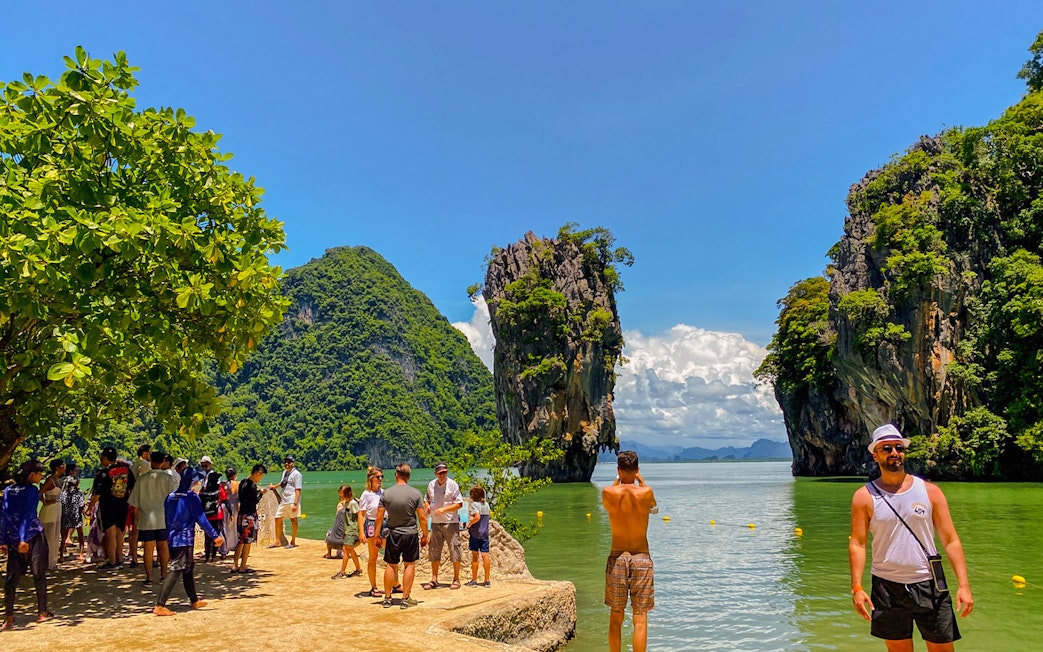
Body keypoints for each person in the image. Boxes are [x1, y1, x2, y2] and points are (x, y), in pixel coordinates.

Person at [849, 424, 973, 651]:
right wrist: (857, 588)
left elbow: (951, 540)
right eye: (887, 448)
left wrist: (963, 586)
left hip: (930, 582)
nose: (894, 453)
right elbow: (858, 543)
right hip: (886, 587)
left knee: (942, 648)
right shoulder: (864, 497)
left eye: (899, 448)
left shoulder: (929, 491)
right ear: (875, 455)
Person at [602, 450, 657, 652]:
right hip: (641, 558)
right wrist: (640, 481)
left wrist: (619, 479)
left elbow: (609, 499)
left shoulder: (609, 492)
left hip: (617, 557)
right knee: (640, 617)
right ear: (637, 469)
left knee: (616, 615)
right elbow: (653, 508)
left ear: (618, 469)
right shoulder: (646, 492)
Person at [154, 468, 224, 616]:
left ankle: (194, 599)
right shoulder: (192, 497)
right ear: (193, 481)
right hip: (184, 538)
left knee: (188, 567)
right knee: (177, 568)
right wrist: (214, 536)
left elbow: (167, 518)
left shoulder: (170, 496)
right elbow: (201, 519)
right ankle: (160, 605)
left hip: (172, 537)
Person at [1, 460, 52, 628]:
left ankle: (9, 617)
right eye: (39, 474)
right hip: (32, 535)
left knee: (12, 578)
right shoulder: (32, 490)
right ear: (32, 475)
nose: (41, 476)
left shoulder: (8, 490)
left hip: (13, 538)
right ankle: (42, 612)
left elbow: (4, 514)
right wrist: (24, 538)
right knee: (39, 573)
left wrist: (3, 540)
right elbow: (28, 515)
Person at [375, 463, 428, 609]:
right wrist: (425, 535)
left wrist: (377, 535)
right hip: (410, 533)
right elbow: (422, 518)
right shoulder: (416, 493)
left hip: (393, 533)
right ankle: (405, 599)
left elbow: (379, 516)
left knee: (391, 565)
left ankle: (387, 598)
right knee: (409, 564)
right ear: (409, 476)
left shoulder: (386, 494)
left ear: (396, 475)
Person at [129, 451, 179, 587]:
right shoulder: (169, 479)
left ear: (150, 461)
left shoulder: (142, 479)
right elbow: (175, 500)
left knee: (148, 548)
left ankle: (149, 578)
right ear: (163, 461)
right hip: (164, 517)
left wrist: (135, 519)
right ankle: (163, 576)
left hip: (146, 518)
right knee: (163, 546)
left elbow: (135, 503)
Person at [88, 447, 135, 570]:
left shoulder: (102, 473)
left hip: (108, 506)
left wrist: (89, 508)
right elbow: (132, 487)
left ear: (105, 458)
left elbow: (97, 494)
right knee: (120, 533)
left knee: (110, 533)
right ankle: (119, 560)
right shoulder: (126, 470)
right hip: (123, 505)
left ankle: (112, 561)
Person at [422, 461, 464, 591]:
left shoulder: (453, 485)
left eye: (445, 472)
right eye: (440, 473)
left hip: (451, 522)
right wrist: (428, 507)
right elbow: (426, 499)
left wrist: (444, 510)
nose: (443, 475)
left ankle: (456, 578)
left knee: (454, 549)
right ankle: (434, 578)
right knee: (434, 550)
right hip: (435, 522)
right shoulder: (431, 485)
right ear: (435, 473)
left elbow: (459, 504)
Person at [232, 464, 266, 574]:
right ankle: (243, 566)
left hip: (241, 514)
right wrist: (261, 494)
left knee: (240, 540)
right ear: (257, 473)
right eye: (261, 476)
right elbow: (254, 501)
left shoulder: (243, 482)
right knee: (247, 541)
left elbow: (244, 498)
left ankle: (235, 564)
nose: (260, 478)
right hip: (249, 515)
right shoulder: (252, 486)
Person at [358, 467, 386, 597]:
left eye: (382, 477)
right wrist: (361, 533)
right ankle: (374, 587)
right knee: (373, 558)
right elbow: (361, 514)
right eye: (378, 477)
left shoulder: (383, 493)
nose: (380, 479)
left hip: (385, 524)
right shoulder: (366, 494)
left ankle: (395, 583)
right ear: (371, 479)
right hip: (371, 524)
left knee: (391, 554)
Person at [126, 443, 152, 569]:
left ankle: (134, 556)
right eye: (149, 452)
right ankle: (148, 556)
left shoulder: (133, 465)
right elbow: (144, 482)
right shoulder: (145, 465)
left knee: (133, 529)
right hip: (142, 499)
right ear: (145, 453)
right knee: (146, 528)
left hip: (132, 498)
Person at [268, 455, 302, 548]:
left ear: (293, 463)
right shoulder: (285, 472)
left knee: (293, 519)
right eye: (285, 462)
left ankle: (293, 541)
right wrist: (274, 486)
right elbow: (283, 482)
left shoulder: (297, 474)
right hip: (284, 500)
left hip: (292, 499)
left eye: (289, 462)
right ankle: (277, 541)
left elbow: (298, 489)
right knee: (277, 518)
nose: (287, 464)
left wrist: (295, 503)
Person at [330, 485, 363, 579]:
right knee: (350, 550)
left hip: (352, 530)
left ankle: (342, 572)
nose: (340, 497)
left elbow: (359, 515)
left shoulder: (352, 503)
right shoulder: (346, 503)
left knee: (345, 550)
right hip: (348, 530)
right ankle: (358, 569)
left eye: (341, 495)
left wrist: (360, 531)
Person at [38, 459, 65, 571]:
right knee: (48, 536)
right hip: (50, 510)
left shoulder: (57, 479)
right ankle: (44, 562)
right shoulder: (50, 480)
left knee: (54, 536)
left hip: (57, 508)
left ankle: (51, 561)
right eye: (63, 466)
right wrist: (45, 501)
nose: (65, 468)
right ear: (57, 467)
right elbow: (40, 493)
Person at [464, 484, 491, 588]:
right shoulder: (487, 505)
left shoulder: (474, 505)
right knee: (485, 555)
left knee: (475, 556)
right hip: (485, 533)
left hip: (475, 533)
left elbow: (477, 517)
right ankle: (487, 580)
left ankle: (474, 580)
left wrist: (470, 524)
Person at [59, 462, 85, 562]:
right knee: (80, 535)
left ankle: (61, 555)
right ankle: (81, 553)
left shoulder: (63, 494)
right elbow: (81, 505)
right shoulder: (79, 493)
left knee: (63, 537)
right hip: (76, 516)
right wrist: (85, 514)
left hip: (65, 516)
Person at [199, 469, 226, 562]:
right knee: (216, 535)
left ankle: (207, 556)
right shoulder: (219, 488)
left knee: (207, 536)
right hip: (217, 515)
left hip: (207, 516)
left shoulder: (204, 489)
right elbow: (225, 500)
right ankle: (214, 556)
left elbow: (200, 500)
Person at [220, 467, 239, 557]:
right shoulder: (236, 483)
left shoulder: (223, 484)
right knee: (233, 527)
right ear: (234, 475)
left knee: (224, 527)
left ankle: (224, 549)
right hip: (233, 506)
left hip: (224, 506)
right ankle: (234, 546)